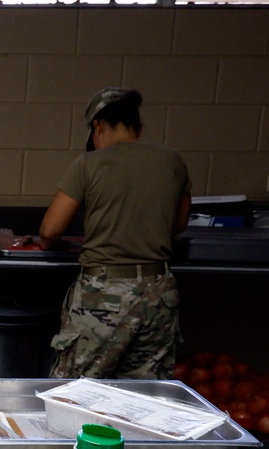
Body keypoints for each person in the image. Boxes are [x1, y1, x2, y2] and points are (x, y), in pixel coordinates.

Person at [39, 87, 192, 380]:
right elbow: (180, 222)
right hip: (159, 291)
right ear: (139, 127)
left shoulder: (89, 163)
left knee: (77, 388)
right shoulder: (172, 160)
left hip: (105, 293)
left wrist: (51, 244)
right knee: (146, 396)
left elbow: (50, 229)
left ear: (97, 126)